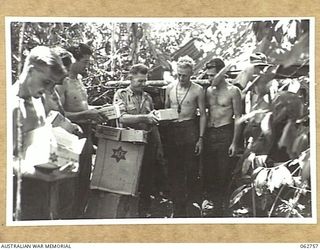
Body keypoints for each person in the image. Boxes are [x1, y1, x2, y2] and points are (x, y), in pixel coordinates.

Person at [12, 46, 68, 220]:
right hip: (19, 195)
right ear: (30, 70)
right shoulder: (12, 107)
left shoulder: (37, 99)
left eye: (52, 84)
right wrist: (38, 174)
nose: (48, 89)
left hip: (42, 191)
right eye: (46, 82)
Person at [55, 43, 106, 217]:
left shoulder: (79, 80)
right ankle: (67, 217)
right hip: (70, 134)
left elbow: (81, 106)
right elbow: (59, 115)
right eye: (84, 62)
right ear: (74, 60)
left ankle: (79, 216)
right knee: (70, 180)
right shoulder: (62, 82)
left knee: (84, 176)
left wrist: (98, 110)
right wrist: (87, 114)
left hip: (85, 132)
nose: (87, 66)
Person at [113, 63, 163, 217]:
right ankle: (124, 215)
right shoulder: (120, 95)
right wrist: (144, 117)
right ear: (130, 78)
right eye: (139, 81)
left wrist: (159, 146)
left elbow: (153, 123)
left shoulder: (147, 97)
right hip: (128, 145)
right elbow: (122, 118)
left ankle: (143, 215)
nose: (143, 84)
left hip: (147, 144)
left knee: (146, 182)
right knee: (127, 183)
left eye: (144, 81)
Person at [164, 56, 206, 217]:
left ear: (191, 74)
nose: (182, 78)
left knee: (191, 169)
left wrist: (200, 138)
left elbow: (203, 115)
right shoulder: (169, 88)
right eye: (179, 74)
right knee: (174, 170)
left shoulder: (197, 90)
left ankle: (192, 208)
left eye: (185, 75)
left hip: (190, 129)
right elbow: (166, 111)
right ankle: (177, 208)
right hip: (173, 130)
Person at [202, 58, 242, 215]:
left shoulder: (233, 91)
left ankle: (223, 207)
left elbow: (238, 116)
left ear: (222, 73)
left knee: (223, 171)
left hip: (225, 132)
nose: (210, 79)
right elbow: (204, 112)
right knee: (209, 170)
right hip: (210, 133)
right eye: (208, 76)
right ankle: (213, 205)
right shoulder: (209, 91)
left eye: (212, 75)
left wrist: (234, 142)